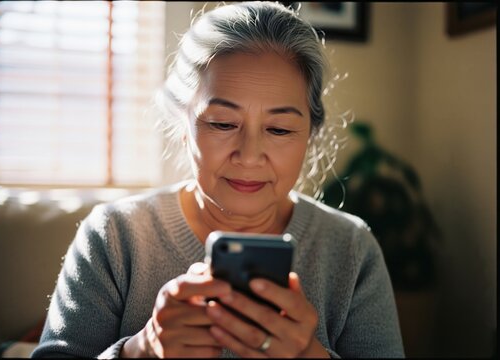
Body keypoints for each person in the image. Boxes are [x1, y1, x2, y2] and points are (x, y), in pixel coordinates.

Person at [32, 2, 404, 358]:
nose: (249, 155)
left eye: (278, 128)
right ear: (182, 126)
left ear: (310, 135)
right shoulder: (115, 235)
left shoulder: (351, 249)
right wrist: (142, 350)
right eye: (222, 123)